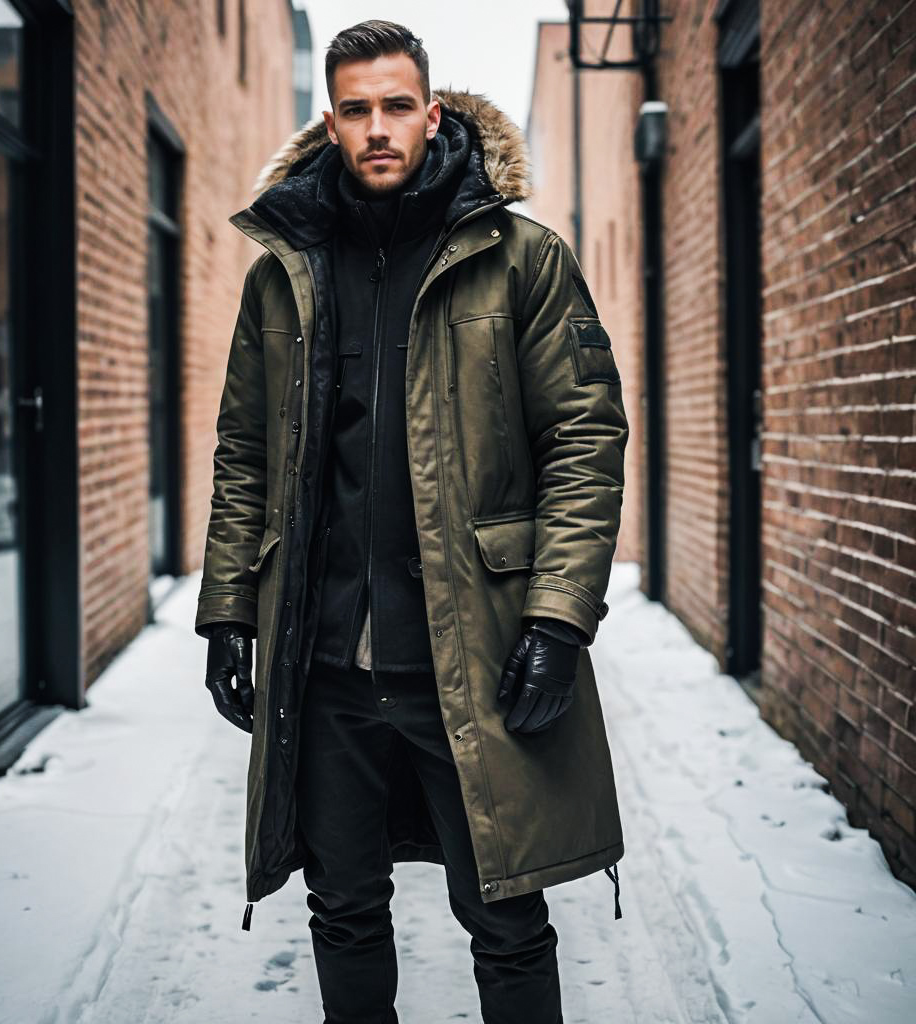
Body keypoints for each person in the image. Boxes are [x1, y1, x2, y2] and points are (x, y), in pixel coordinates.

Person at [196, 19, 628, 1024]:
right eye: (356, 109)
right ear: (332, 122)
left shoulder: (520, 259)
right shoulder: (284, 275)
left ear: (433, 116)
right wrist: (227, 609)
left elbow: (585, 438)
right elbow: (244, 452)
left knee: (507, 916)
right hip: (329, 669)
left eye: (397, 107)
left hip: (474, 653)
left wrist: (558, 619)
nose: (378, 128)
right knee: (342, 908)